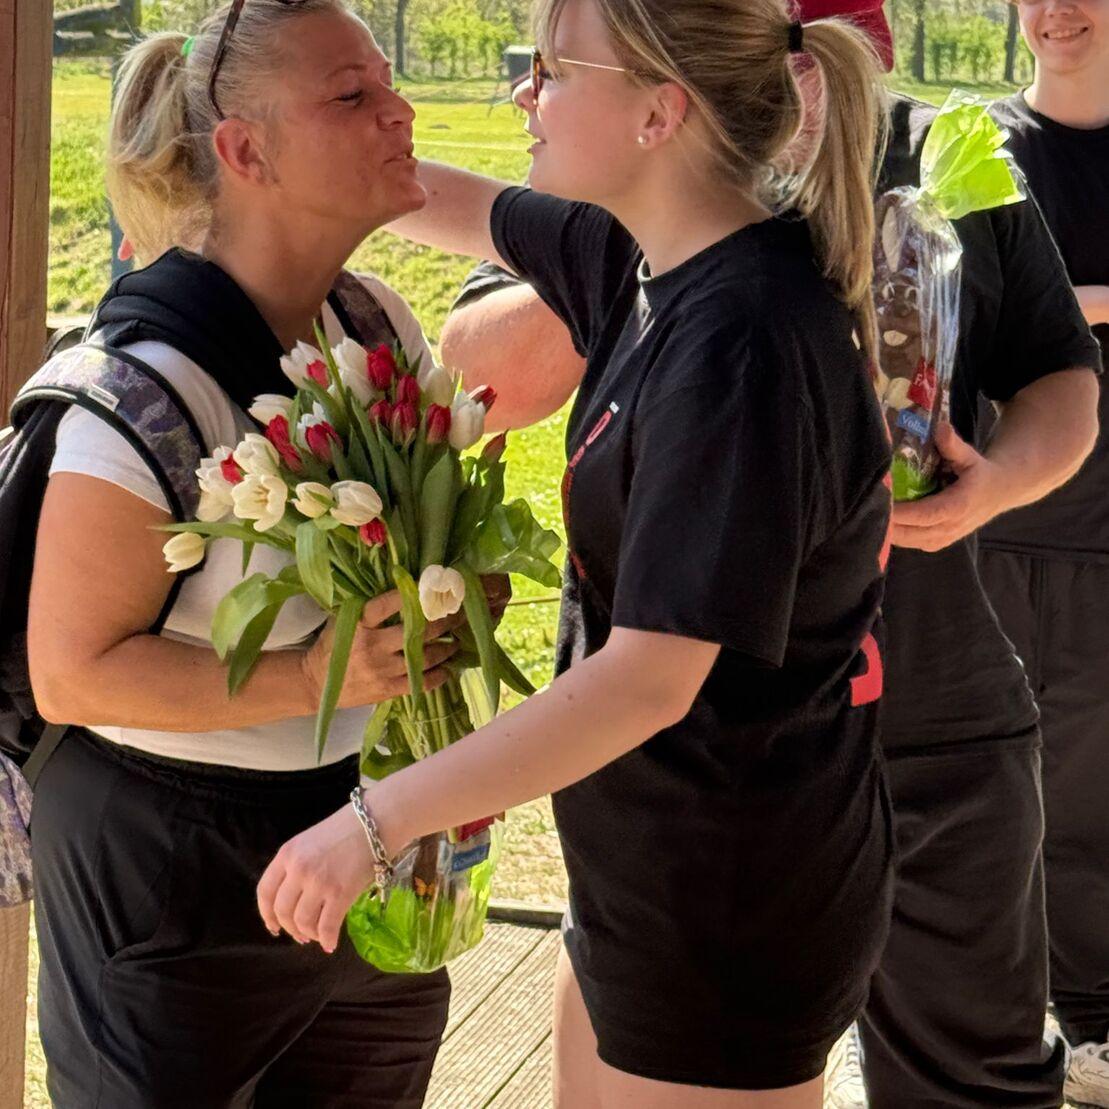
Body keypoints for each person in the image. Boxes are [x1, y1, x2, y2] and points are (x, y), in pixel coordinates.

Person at [427, 4, 1104, 1106]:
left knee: (968, 1079)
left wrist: (997, 481)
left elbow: (1059, 375)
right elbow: (483, 373)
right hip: (710, 772)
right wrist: (649, 248)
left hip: (929, 724)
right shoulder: (641, 202)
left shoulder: (946, 155)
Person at [257, 0, 898, 1105]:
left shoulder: (740, 341)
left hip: (730, 904)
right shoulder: (643, 257)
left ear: (660, 111)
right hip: (650, 874)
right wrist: (322, 143)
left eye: (552, 68)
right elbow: (463, 209)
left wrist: (379, 817)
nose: (522, 92)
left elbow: (649, 678)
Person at [26, 3, 466, 1104]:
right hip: (168, 874)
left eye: (387, 83)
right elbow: (69, 671)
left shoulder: (375, 328)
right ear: (245, 150)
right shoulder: (141, 391)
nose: (400, 110)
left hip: (359, 839)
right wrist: (309, 679)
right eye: (352, 95)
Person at [974, 2, 1109, 1105]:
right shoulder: (977, 153)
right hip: (998, 531)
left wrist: (1058, 307)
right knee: (996, 798)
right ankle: (997, 1027)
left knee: (1090, 804)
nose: (1054, 11)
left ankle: (1096, 1030)